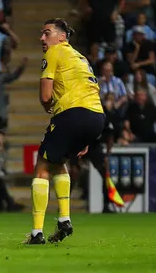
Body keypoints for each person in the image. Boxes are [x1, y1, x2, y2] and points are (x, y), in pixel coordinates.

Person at [24, 19, 105, 245]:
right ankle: (64, 219)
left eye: (46, 33)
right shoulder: (80, 57)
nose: (42, 38)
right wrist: (85, 135)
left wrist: (46, 105)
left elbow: (45, 96)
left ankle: (36, 233)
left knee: (41, 166)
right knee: (58, 162)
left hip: (73, 114)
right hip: (96, 117)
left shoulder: (54, 52)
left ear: (61, 37)